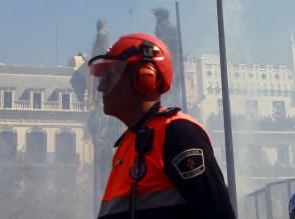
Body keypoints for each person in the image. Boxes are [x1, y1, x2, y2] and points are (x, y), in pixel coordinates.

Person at [89, 33, 237, 219]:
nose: (101, 87)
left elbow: (218, 213)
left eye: (108, 77)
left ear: (144, 76)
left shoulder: (178, 133)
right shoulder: (126, 145)